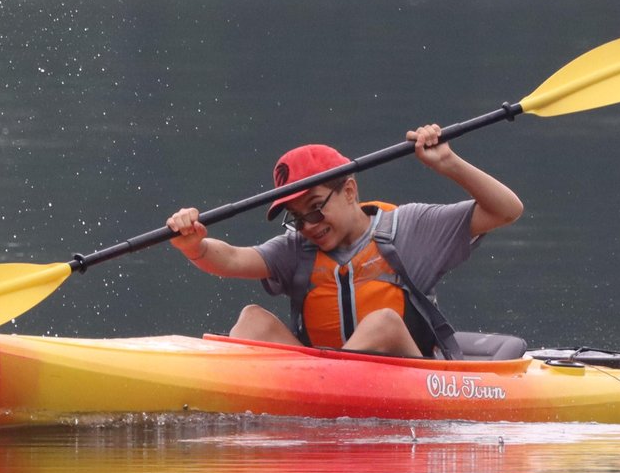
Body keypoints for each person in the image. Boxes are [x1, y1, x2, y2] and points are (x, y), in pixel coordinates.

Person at [166, 124, 523, 358]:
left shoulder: (409, 228)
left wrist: (449, 164)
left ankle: (324, 386)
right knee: (252, 320)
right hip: (318, 384)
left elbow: (507, 210)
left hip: (411, 379)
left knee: (382, 322)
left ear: (349, 190)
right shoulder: (297, 250)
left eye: (316, 208)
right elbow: (229, 260)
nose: (309, 225)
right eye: (297, 217)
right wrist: (194, 245)